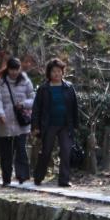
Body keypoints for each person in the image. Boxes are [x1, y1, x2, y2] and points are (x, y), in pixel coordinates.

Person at [31, 58, 79, 187]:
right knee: (46, 151)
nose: (56, 74)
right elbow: (36, 109)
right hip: (49, 125)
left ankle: (64, 180)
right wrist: (35, 126)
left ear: (63, 72)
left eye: (59, 71)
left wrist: (75, 125)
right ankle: (38, 177)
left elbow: (74, 107)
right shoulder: (43, 89)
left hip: (65, 125)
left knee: (66, 151)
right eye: (54, 71)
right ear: (49, 73)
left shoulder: (69, 87)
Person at [0, 56, 34, 185]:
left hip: (21, 122)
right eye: (12, 69)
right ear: (8, 69)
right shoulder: (1, 82)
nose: (14, 72)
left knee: (21, 149)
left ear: (19, 69)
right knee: (6, 152)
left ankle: (22, 176)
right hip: (5, 122)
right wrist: (0, 113)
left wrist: (23, 104)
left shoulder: (26, 81)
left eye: (16, 69)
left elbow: (33, 98)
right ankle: (6, 178)